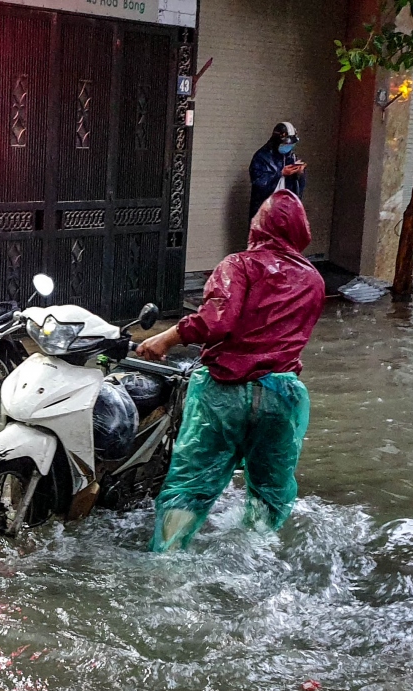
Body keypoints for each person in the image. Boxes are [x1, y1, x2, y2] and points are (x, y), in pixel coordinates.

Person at [135, 190, 325, 552]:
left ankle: (168, 560)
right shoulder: (313, 279)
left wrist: (166, 338)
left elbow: (216, 321)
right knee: (271, 487)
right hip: (282, 396)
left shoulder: (239, 265)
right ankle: (257, 552)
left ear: (258, 227)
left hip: (224, 392)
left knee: (192, 483)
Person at [249, 122, 305, 221]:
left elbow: (298, 189)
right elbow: (258, 183)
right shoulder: (262, 157)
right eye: (285, 144)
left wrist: (299, 174)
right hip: (266, 209)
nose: (288, 147)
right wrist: (280, 174)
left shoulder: (291, 157)